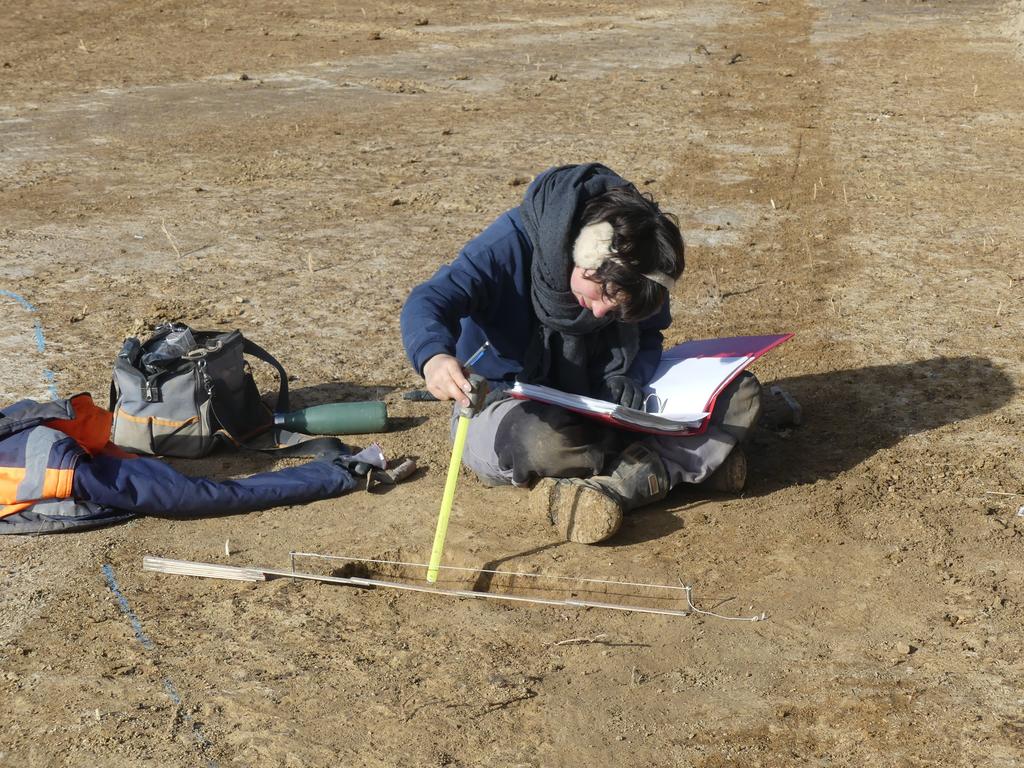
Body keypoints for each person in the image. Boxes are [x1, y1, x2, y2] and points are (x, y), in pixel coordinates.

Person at [401, 163, 761, 544]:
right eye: (604, 294)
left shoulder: (645, 258)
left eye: (617, 310)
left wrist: (631, 377)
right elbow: (429, 299)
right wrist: (434, 357)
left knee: (741, 396)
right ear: (587, 253)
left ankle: (617, 486)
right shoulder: (511, 244)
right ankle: (676, 466)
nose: (602, 313)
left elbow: (649, 336)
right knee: (546, 443)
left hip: (609, 401)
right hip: (508, 402)